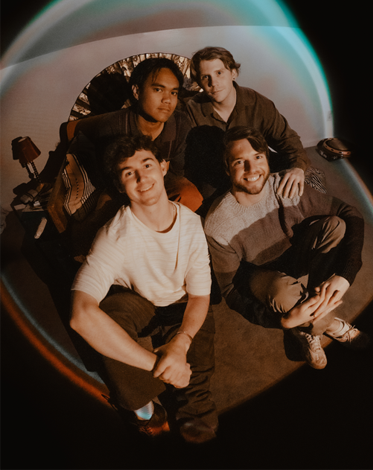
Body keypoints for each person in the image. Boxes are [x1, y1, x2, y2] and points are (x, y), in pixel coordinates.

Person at [70, 135, 218, 443]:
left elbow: (200, 296)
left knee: (196, 393)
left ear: (163, 167)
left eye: (147, 165)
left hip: (181, 303)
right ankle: (143, 408)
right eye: (129, 173)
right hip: (139, 300)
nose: (141, 177)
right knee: (106, 319)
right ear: (120, 185)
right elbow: (80, 316)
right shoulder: (114, 235)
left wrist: (182, 342)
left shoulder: (191, 224)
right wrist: (158, 363)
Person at [204, 126, 367, 370]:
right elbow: (231, 292)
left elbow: (349, 212)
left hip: (297, 259)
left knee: (336, 225)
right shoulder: (217, 224)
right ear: (228, 169)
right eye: (239, 162)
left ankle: (308, 316)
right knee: (281, 291)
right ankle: (325, 325)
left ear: (267, 159)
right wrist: (284, 321)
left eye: (257, 157)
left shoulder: (284, 185)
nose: (252, 169)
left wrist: (346, 275)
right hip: (263, 277)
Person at [70, 57, 203, 257]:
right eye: (158, 90)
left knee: (190, 195)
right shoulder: (113, 126)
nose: (167, 100)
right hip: (122, 188)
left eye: (174, 92)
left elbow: (179, 171)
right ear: (136, 91)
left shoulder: (180, 123)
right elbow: (110, 180)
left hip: (162, 184)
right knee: (101, 228)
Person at [184, 46, 325, 212]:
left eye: (219, 73)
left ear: (233, 73)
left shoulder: (257, 102)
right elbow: (194, 164)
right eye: (205, 77)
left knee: (308, 177)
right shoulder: (191, 110)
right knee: (213, 211)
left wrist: (297, 169)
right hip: (218, 177)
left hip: (257, 167)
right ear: (199, 82)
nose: (213, 83)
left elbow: (288, 141)